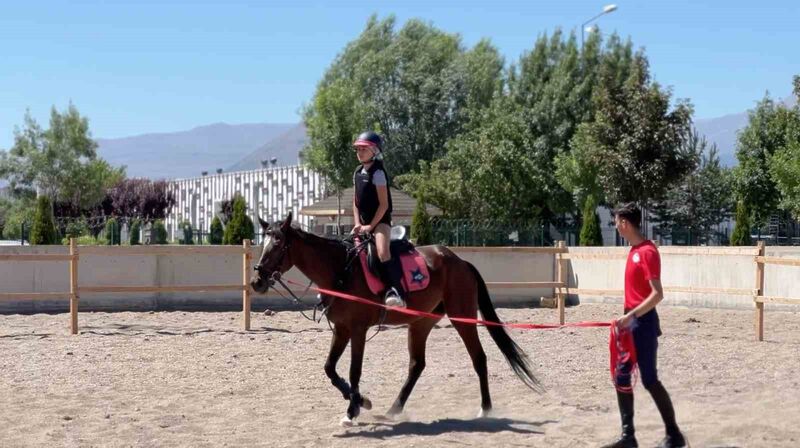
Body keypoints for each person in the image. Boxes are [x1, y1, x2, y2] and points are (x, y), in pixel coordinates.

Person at [603, 202, 687, 448]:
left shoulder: (647, 252)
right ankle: (628, 437)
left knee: (650, 379)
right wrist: (626, 318)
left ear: (625, 223)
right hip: (631, 322)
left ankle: (674, 435)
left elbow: (657, 294)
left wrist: (633, 316)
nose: (616, 226)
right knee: (621, 375)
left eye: (617, 221)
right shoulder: (633, 251)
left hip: (644, 321)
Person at [351, 131, 406, 308]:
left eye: (364, 149)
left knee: (382, 251)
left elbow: (383, 205)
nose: (360, 152)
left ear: (374, 150)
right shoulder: (357, 172)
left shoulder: (378, 173)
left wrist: (371, 226)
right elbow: (355, 202)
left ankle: (395, 290)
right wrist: (358, 224)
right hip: (364, 224)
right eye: (358, 149)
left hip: (380, 222)